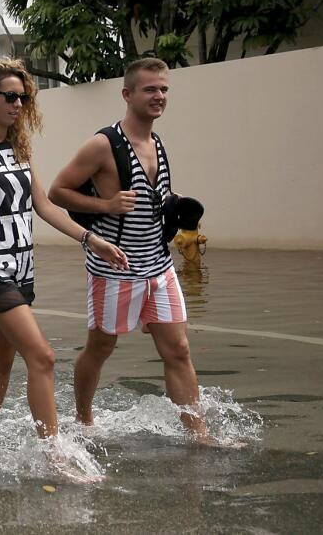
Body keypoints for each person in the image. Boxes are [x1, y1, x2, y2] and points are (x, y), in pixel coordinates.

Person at [0, 58, 128, 452]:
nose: (18, 104)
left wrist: (91, 239)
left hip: (22, 269)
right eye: (10, 96)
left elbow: (44, 205)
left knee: (0, 364)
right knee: (44, 358)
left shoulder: (19, 146)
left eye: (24, 97)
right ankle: (55, 456)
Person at [48, 57, 215, 443]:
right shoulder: (103, 144)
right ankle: (84, 419)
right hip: (114, 267)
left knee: (179, 349)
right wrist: (105, 206)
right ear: (127, 94)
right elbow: (57, 191)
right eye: (150, 89)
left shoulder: (156, 142)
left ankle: (199, 434)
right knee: (102, 346)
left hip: (158, 265)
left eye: (164, 89)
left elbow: (150, 199)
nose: (159, 96)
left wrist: (173, 204)